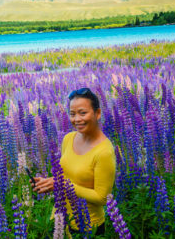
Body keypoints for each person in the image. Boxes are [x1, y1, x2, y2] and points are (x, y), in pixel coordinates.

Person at [31, 88, 116, 236]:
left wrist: (63, 184)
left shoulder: (104, 152)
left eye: (83, 113)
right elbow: (68, 174)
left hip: (88, 228)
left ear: (97, 113)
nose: (77, 119)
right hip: (59, 221)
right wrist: (47, 183)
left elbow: (103, 198)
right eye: (72, 114)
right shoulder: (68, 138)